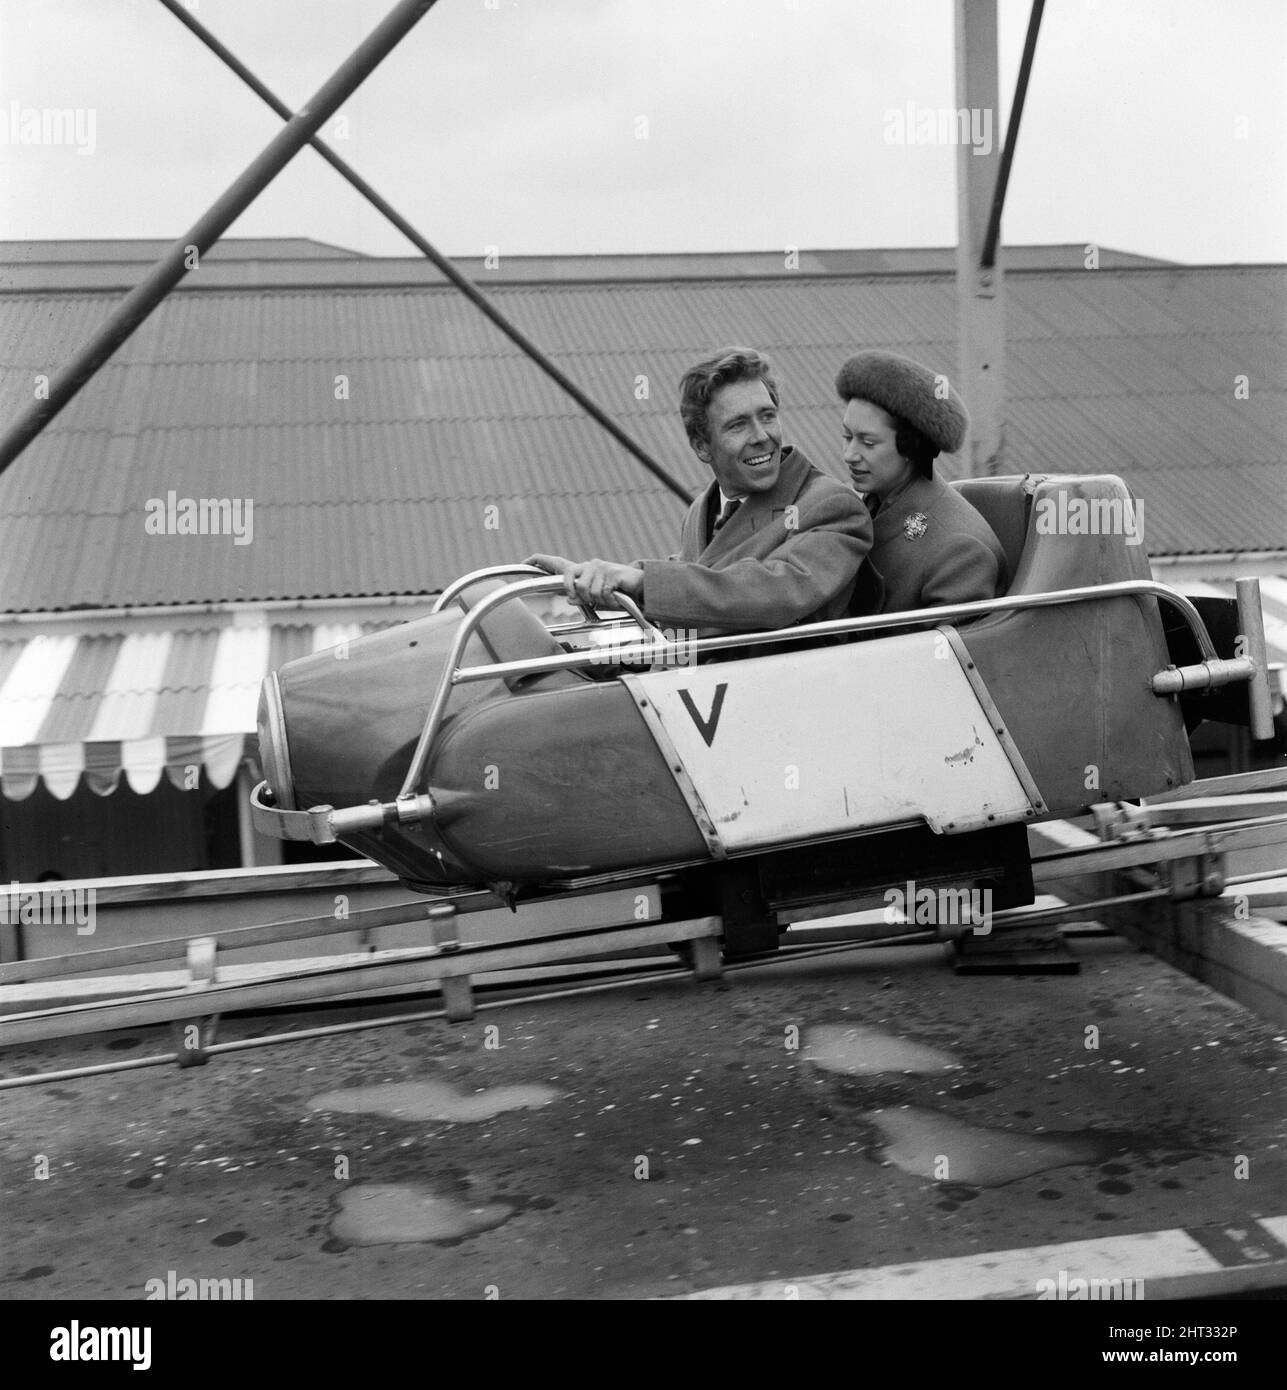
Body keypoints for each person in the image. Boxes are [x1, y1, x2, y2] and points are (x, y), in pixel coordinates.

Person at [527, 347, 874, 636]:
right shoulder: (703, 511)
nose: (761, 436)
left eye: (767, 416)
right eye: (738, 424)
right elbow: (699, 579)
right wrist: (598, 580)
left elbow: (770, 593)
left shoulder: (831, 506)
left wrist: (640, 581)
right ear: (702, 447)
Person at [836, 350, 1008, 613]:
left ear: (910, 447)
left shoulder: (959, 551)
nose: (849, 455)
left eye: (868, 443)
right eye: (847, 437)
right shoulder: (872, 507)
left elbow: (946, 652)